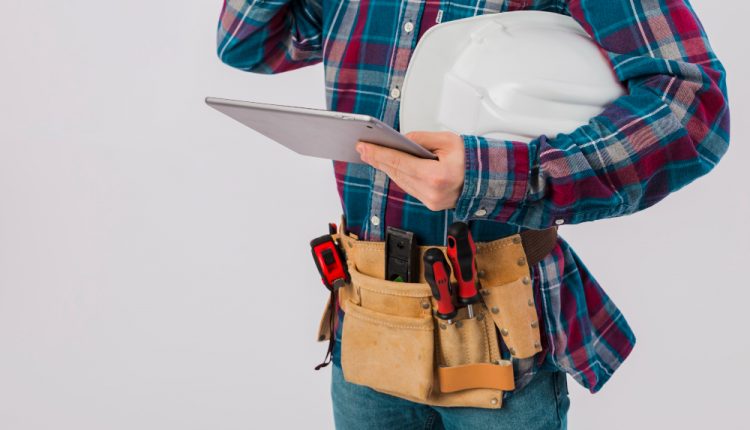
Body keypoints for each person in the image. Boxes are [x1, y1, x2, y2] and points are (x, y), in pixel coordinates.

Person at [215, 1, 730, 428]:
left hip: (497, 336)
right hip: (368, 322)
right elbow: (249, 43)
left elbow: (691, 109)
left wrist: (492, 175)